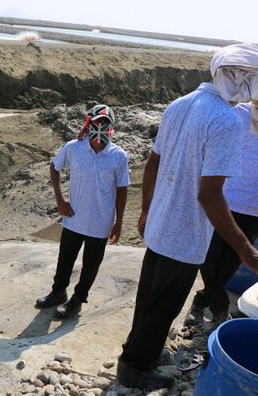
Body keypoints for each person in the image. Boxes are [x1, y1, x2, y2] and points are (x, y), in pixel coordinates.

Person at [117, 43, 258, 390]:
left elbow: (153, 164)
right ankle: (136, 369)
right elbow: (209, 195)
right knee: (165, 304)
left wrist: (147, 210)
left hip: (162, 222)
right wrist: (245, 249)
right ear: (240, 78)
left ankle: (138, 352)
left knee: (148, 297)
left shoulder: (180, 104)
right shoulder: (226, 120)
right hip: (186, 232)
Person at [36, 104, 130, 318]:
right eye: (97, 123)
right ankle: (58, 292)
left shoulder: (118, 156)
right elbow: (55, 167)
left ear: (111, 127)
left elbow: (122, 189)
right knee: (65, 259)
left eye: (105, 124)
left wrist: (118, 221)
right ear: (89, 124)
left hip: (100, 222)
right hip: (74, 218)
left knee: (90, 264)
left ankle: (78, 300)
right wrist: (60, 198)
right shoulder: (74, 148)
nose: (101, 127)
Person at [186, 100, 258, 325]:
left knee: (231, 266)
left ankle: (201, 300)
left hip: (254, 209)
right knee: (207, 257)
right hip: (224, 200)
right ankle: (220, 308)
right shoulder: (239, 113)